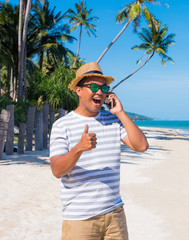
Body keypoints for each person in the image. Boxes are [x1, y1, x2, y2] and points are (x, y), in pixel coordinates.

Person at [49, 62, 149, 240]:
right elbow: (57, 170)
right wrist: (78, 149)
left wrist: (120, 112)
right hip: (80, 218)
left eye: (104, 88)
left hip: (115, 213)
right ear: (78, 90)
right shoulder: (62, 125)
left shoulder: (114, 120)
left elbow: (141, 146)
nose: (100, 92)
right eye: (94, 86)